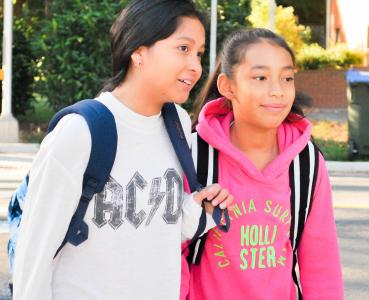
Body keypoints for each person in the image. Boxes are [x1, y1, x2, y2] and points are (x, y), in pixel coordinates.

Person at [13, 1, 232, 299]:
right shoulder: (80, 131)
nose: (195, 66)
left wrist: (198, 208)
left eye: (199, 53)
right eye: (183, 48)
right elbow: (34, 254)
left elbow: (162, 234)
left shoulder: (178, 123)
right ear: (138, 52)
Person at [182, 28, 344, 300]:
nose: (278, 91)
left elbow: (321, 264)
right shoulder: (195, 156)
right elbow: (169, 253)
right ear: (227, 86)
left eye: (287, 78)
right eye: (261, 77)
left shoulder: (306, 163)